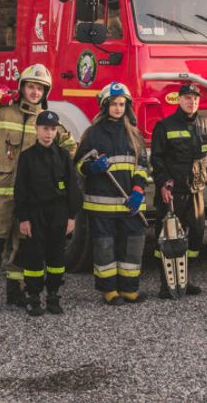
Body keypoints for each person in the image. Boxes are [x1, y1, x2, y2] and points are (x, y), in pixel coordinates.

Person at [0, 64, 76, 316]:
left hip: (32, 202)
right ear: (22, 87)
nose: (35, 92)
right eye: (31, 86)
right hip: (1, 197)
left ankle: (17, 294)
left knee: (23, 249)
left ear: (45, 92)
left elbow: (69, 149)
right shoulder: (3, 113)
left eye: (40, 88)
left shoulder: (47, 120)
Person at [75, 82, 149, 305]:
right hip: (102, 204)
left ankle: (129, 289)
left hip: (131, 203)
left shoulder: (134, 135)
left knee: (132, 245)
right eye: (114, 104)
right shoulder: (93, 134)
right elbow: (78, 164)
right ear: (105, 105)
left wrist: (138, 190)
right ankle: (109, 291)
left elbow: (142, 167)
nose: (118, 108)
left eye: (122, 104)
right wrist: (92, 168)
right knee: (105, 247)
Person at [150, 83, 207, 298]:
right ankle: (166, 283)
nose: (192, 102)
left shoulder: (204, 124)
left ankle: (184, 278)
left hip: (195, 190)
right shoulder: (165, 126)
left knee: (197, 234)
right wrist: (163, 183)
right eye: (188, 98)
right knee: (168, 238)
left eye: (195, 99)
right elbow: (157, 158)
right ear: (179, 100)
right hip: (173, 192)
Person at [14, 110, 81, 317]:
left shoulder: (62, 156)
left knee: (56, 257)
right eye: (45, 129)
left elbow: (73, 188)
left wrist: (71, 217)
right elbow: (21, 190)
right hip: (35, 213)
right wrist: (23, 218)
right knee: (34, 257)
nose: (49, 133)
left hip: (58, 213)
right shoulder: (26, 157)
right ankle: (33, 298)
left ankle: (53, 296)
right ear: (37, 130)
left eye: (52, 129)